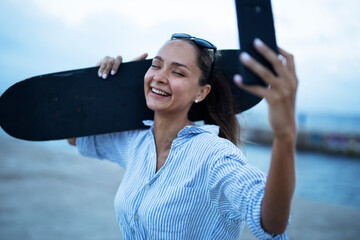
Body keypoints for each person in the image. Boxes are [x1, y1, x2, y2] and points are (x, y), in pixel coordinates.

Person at [68, 33, 298, 239]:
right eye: (156, 66)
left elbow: (272, 223)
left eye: (177, 72)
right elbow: (74, 137)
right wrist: (100, 87)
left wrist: (284, 135)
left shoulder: (214, 155)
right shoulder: (136, 141)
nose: (160, 77)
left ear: (201, 92)